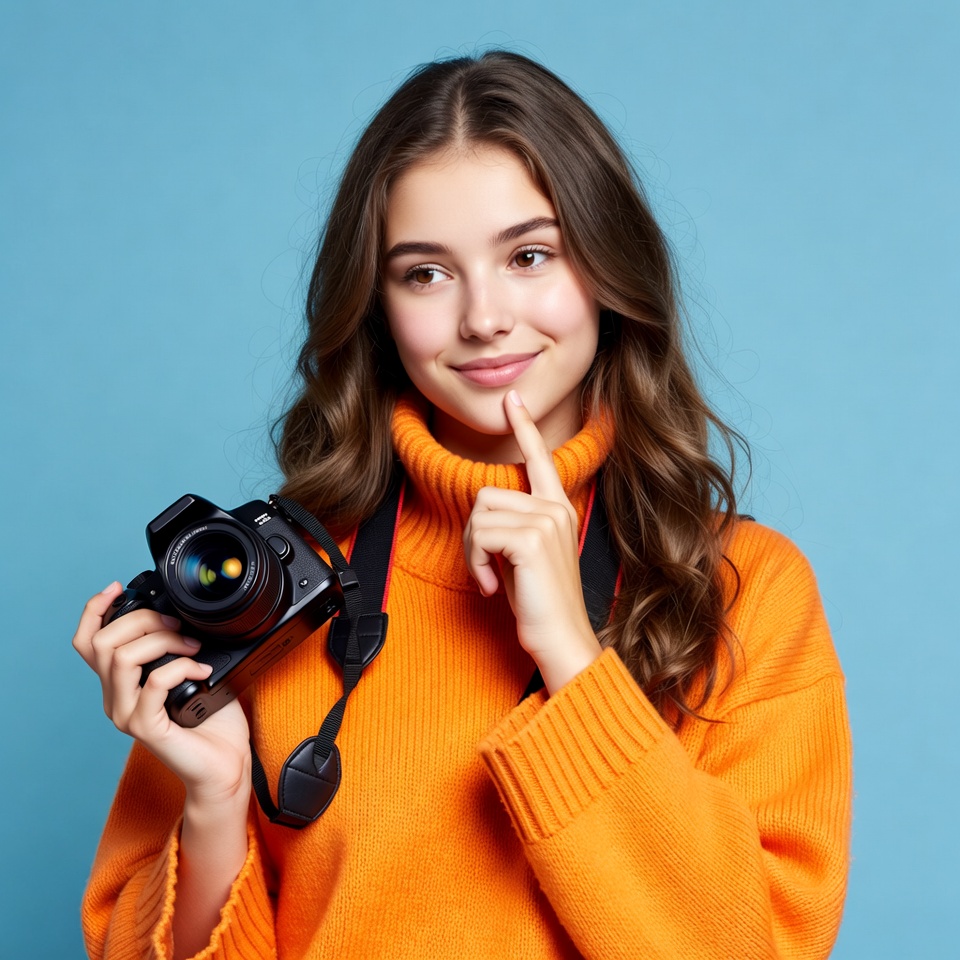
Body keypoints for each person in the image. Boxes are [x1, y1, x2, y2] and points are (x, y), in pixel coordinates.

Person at [72, 51, 852, 960]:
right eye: (426, 274)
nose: (483, 317)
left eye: (529, 255)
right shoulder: (269, 582)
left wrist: (570, 657)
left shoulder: (744, 589)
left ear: (606, 269)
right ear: (377, 306)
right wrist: (213, 801)